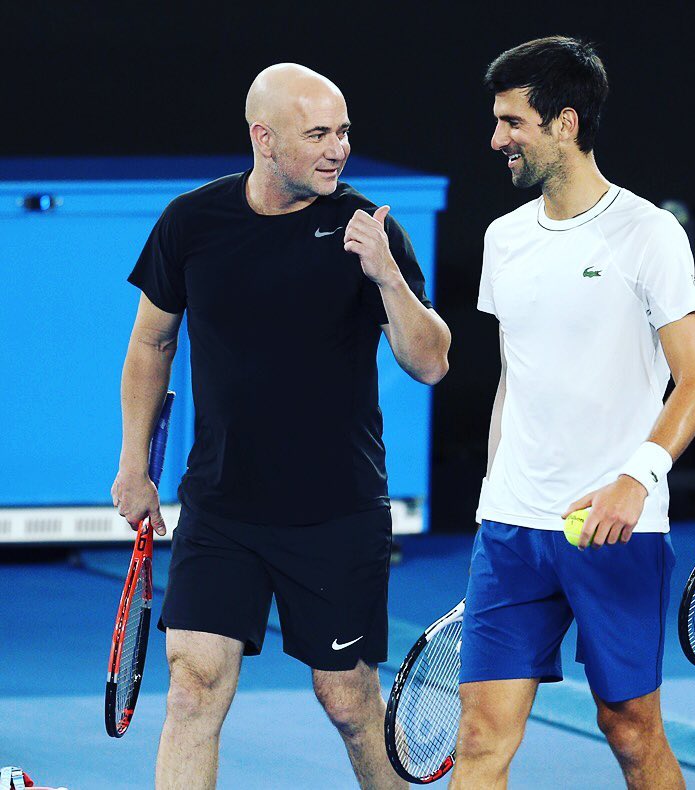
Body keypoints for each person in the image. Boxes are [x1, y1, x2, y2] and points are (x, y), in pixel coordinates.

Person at [111, 63, 450, 789]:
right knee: (194, 685)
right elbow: (151, 343)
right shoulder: (191, 222)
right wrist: (133, 464)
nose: (340, 148)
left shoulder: (369, 229)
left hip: (335, 513)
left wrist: (387, 275)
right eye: (320, 134)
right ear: (264, 139)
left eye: (345, 132)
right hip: (221, 506)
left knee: (350, 700)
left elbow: (431, 363)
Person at [450, 37, 695, 789]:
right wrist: (493, 501)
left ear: (564, 123)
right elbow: (515, 377)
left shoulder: (650, 234)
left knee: (631, 732)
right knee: (478, 738)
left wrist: (635, 478)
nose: (496, 138)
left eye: (512, 123)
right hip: (511, 529)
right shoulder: (504, 239)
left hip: (616, 527)